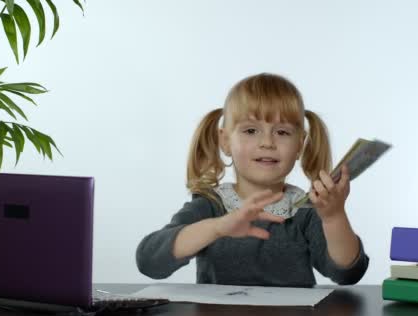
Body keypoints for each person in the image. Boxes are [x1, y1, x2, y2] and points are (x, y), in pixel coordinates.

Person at [136, 73, 369, 287]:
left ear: (300, 144)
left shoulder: (304, 211)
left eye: (282, 132)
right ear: (225, 141)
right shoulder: (209, 205)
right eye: (250, 131)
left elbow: (347, 273)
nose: (267, 142)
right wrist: (217, 228)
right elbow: (149, 262)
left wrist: (334, 217)